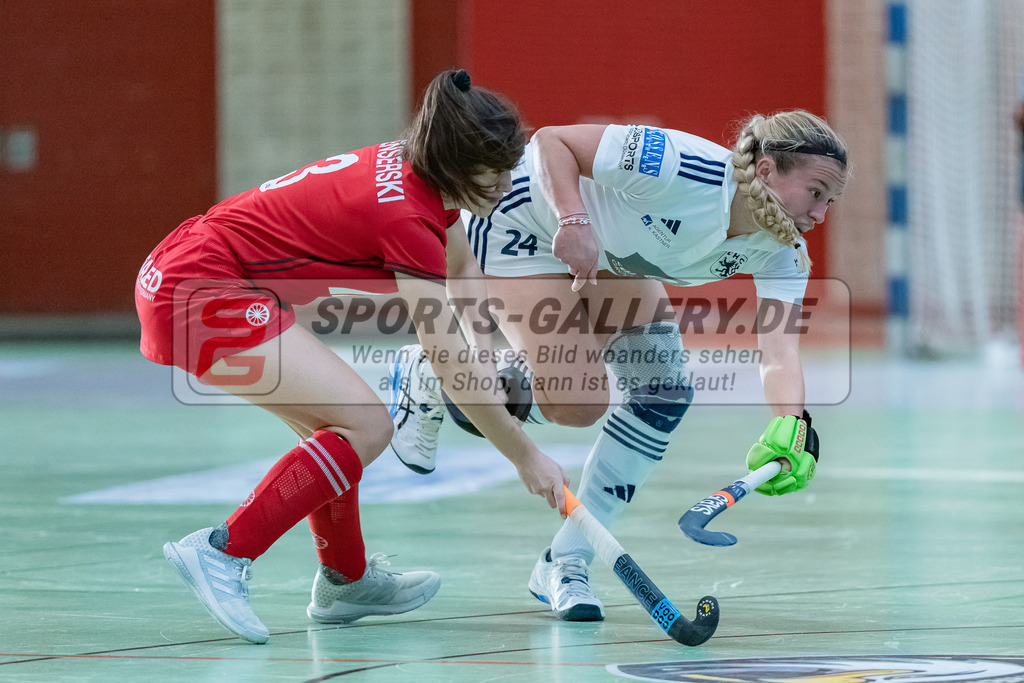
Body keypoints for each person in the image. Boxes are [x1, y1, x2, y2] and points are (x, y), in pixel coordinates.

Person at [134, 69, 569, 644]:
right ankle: (222, 551)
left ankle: (346, 579)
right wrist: (526, 456)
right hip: (196, 287)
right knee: (367, 424)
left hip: (193, 271)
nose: (507, 181)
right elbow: (447, 365)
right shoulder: (407, 217)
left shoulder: (421, 172)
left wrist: (486, 354)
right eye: (497, 169)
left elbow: (462, 269)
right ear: (458, 163)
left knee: (333, 429)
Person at [389, 110, 848, 620]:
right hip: (523, 216)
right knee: (580, 404)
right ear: (765, 172)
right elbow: (553, 142)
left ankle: (566, 560)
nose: (822, 213)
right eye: (816, 192)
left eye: (831, 200)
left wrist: (791, 423)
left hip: (609, 251)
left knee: (662, 392)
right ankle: (432, 379)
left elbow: (779, 350)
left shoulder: (782, 250)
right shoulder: (681, 166)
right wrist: (574, 219)